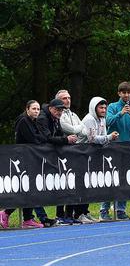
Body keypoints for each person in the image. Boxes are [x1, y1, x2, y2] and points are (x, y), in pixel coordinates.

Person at [0, 101, 59, 230]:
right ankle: (7, 213)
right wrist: (41, 138)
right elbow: (35, 139)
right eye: (34, 109)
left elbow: (41, 137)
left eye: (38, 109)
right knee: (24, 188)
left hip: (31, 159)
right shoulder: (23, 121)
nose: (36, 111)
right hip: (22, 159)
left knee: (30, 189)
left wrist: (41, 138)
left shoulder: (33, 121)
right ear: (27, 109)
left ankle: (27, 218)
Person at [55, 89, 95, 222]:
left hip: (75, 152)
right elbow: (71, 129)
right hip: (63, 153)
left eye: (69, 98)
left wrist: (77, 129)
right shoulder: (60, 114)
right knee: (64, 183)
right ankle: (60, 215)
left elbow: (84, 131)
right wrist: (77, 129)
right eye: (64, 98)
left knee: (74, 183)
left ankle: (71, 214)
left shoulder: (72, 114)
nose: (68, 100)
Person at [38, 97, 79, 225]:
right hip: (38, 155)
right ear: (50, 108)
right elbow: (47, 137)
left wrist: (66, 138)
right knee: (36, 187)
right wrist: (66, 140)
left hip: (53, 155)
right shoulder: (43, 118)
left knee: (64, 182)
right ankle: (9, 213)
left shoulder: (56, 118)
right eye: (57, 110)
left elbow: (59, 134)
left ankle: (61, 215)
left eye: (61, 110)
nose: (59, 112)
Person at [106, 82, 130, 218]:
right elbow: (108, 122)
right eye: (124, 92)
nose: (126, 95)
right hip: (114, 147)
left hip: (129, 147)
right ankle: (104, 209)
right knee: (110, 178)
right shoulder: (113, 106)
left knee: (125, 179)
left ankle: (121, 209)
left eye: (129, 92)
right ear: (119, 93)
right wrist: (120, 114)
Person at [82, 97, 121, 221]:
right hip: (82, 153)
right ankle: (79, 213)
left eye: (105, 108)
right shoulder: (89, 119)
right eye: (101, 108)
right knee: (82, 184)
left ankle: (85, 212)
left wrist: (108, 138)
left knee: (88, 184)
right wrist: (109, 137)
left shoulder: (103, 119)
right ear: (94, 108)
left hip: (93, 154)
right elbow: (92, 138)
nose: (104, 110)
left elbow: (103, 136)